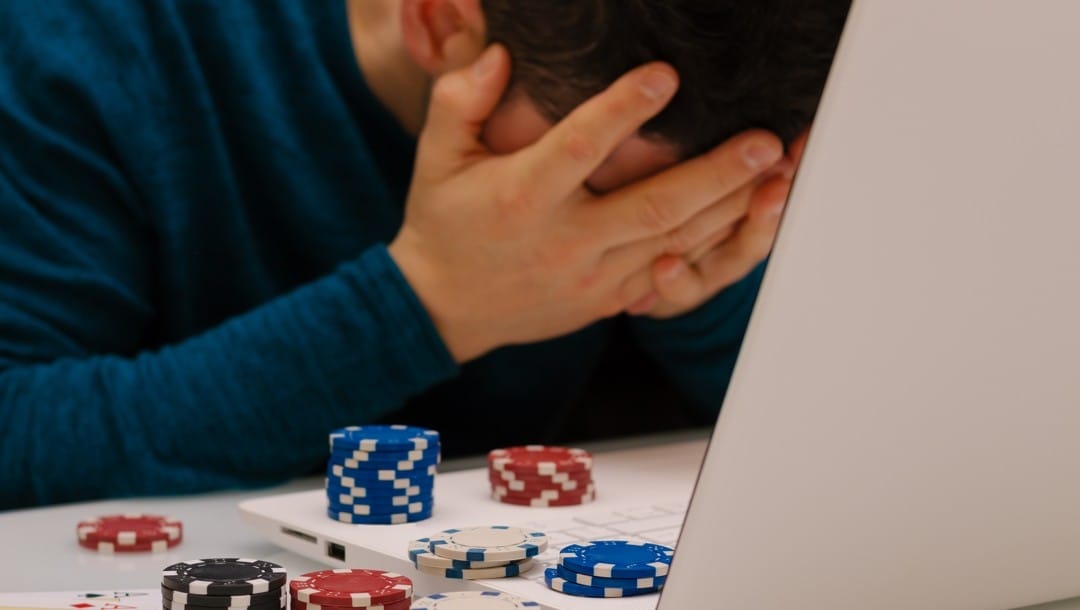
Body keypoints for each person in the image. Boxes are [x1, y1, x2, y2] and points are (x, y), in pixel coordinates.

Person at [0, 0, 848, 509]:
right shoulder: (84, 46)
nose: (657, 220)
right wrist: (425, 305)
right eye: (599, 184)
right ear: (441, 20)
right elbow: (18, 438)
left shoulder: (785, 65)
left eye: (717, 188)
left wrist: (696, 291)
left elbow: (841, 455)